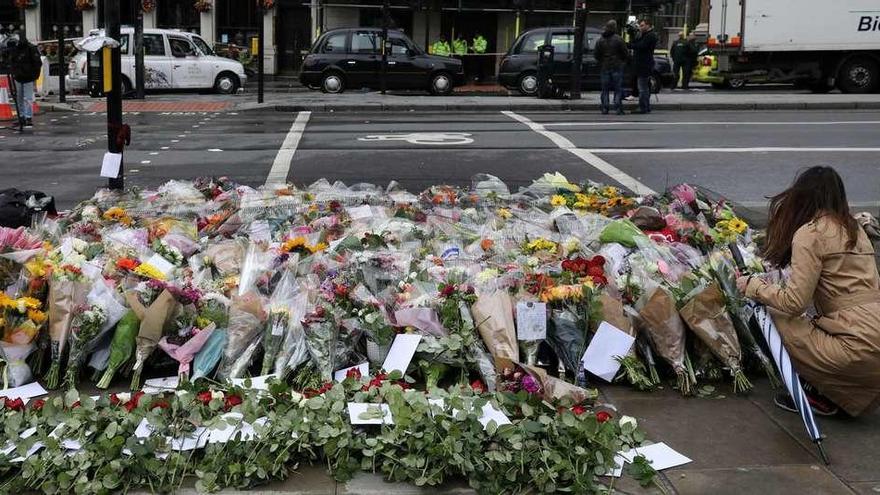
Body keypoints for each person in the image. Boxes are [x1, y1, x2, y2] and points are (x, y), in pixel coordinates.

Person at [736, 166, 880, 417]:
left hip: (854, 347)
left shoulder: (810, 233)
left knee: (763, 317)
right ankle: (844, 393)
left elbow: (795, 302)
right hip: (871, 335)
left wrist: (754, 286)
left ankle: (812, 394)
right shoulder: (856, 230)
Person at [6, 32, 41, 129]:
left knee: (27, 98)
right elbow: (12, 61)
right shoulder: (16, 49)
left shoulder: (30, 48)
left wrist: (34, 75)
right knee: (20, 98)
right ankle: (22, 117)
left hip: (27, 76)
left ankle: (28, 117)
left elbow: (37, 63)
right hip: (19, 76)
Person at [594, 20, 628, 115]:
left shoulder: (600, 40)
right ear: (615, 27)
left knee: (605, 89)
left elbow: (596, 54)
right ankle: (618, 107)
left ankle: (605, 107)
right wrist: (622, 61)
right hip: (617, 66)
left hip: (605, 66)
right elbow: (625, 53)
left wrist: (602, 61)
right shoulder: (619, 39)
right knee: (618, 88)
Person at [629, 19, 658, 114]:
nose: (640, 27)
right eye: (640, 26)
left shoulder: (650, 36)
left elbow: (641, 46)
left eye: (642, 25)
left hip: (644, 65)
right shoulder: (644, 35)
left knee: (642, 87)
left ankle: (643, 107)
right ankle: (646, 106)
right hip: (642, 64)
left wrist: (630, 45)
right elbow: (636, 42)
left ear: (648, 26)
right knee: (644, 87)